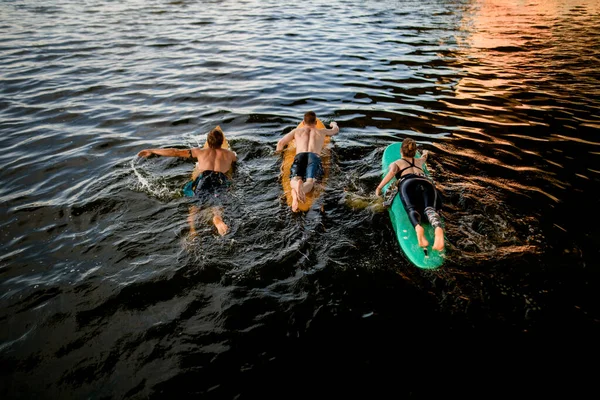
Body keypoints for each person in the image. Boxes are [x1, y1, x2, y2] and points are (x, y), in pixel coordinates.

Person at [137, 127, 237, 236]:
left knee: (195, 205)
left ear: (208, 142)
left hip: (204, 179)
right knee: (218, 201)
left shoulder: (199, 152)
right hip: (220, 179)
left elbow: (175, 152)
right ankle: (217, 218)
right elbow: (234, 163)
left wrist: (151, 150)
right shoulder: (230, 154)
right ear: (222, 141)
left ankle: (193, 231)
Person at [375, 138, 444, 251]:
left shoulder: (396, 163)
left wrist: (379, 188)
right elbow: (424, 157)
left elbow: (391, 174)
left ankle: (418, 228)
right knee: (430, 209)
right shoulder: (419, 161)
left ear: (401, 152)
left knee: (411, 208)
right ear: (414, 152)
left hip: (408, 183)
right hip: (426, 183)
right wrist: (425, 153)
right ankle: (438, 229)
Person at [275, 111, 339, 212]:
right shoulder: (321, 131)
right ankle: (302, 190)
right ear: (316, 123)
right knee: (310, 182)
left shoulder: (296, 131)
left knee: (294, 179)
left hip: (300, 156)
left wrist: (278, 155)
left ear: (303, 122)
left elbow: (281, 143)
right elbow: (335, 130)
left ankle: (296, 187)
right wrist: (333, 124)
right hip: (314, 157)